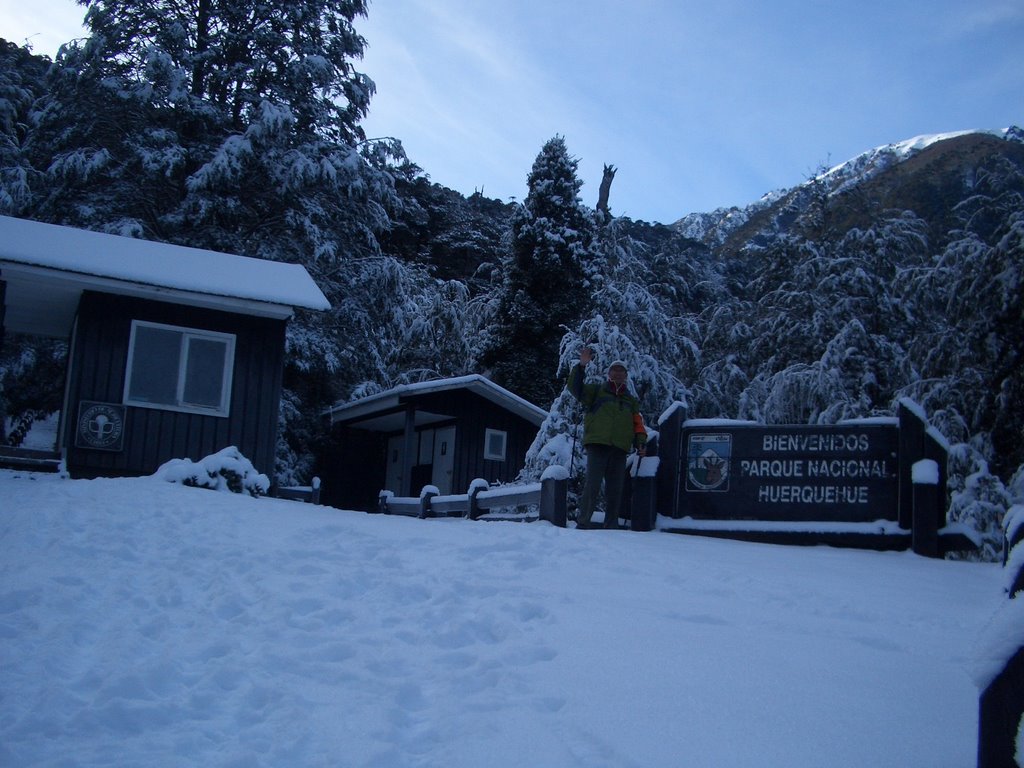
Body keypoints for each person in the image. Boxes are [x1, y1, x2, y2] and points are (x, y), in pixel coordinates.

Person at [566, 347, 647, 529]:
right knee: (592, 485)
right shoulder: (597, 392)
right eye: (615, 370)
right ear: (609, 373)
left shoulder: (630, 400)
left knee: (615, 490)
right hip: (598, 444)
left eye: (621, 370)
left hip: (619, 448)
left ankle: (611, 525)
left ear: (626, 375)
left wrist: (640, 442)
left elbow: (638, 424)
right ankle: (583, 522)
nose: (618, 373)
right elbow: (575, 388)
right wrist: (581, 366)